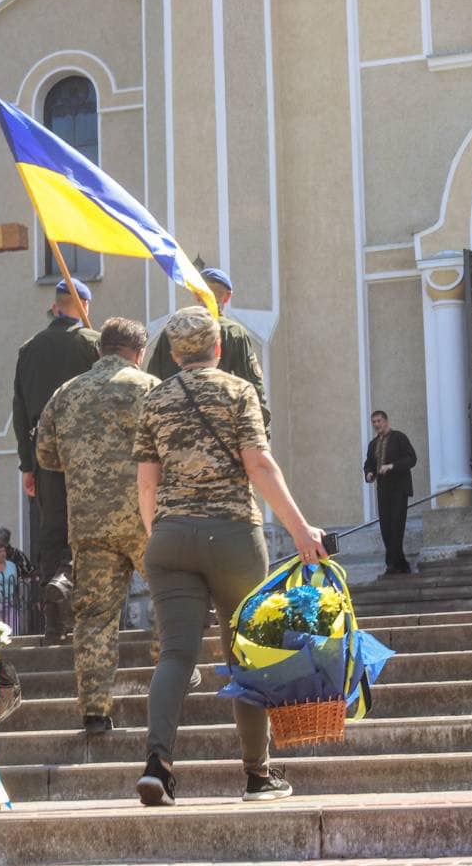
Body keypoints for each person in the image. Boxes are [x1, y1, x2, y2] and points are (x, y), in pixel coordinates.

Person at [132, 307, 328, 807]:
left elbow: (147, 481)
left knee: (176, 654)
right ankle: (257, 776)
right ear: (217, 348)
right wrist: (301, 530)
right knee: (245, 651)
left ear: (174, 354)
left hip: (171, 538)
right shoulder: (238, 391)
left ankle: (158, 764)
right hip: (234, 537)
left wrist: (162, 534)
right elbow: (258, 464)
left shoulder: (154, 399)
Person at [37, 317, 159, 736]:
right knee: (172, 593)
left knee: (94, 617)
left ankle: (94, 708)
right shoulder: (148, 387)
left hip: (88, 523)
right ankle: (173, 671)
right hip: (144, 516)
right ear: (137, 352)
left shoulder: (65, 393)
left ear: (99, 350)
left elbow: (46, 455)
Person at [11, 278, 101, 641]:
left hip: (42, 451)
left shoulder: (29, 349)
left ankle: (52, 621)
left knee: (51, 531)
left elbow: (19, 410)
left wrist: (26, 464)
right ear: (82, 307)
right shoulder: (93, 344)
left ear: (55, 306)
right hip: (87, 452)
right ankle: (81, 607)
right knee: (88, 532)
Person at [145, 268, 269, 431]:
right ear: (228, 296)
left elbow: (152, 383)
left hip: (175, 433)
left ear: (197, 294)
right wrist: (260, 434)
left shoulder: (172, 332)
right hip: (222, 431)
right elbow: (254, 390)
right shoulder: (234, 334)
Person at [363, 410, 418, 575]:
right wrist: (369, 473)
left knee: (396, 526)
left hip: (399, 489)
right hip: (383, 490)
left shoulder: (399, 438)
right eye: (373, 422)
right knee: (385, 527)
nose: (376, 425)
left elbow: (411, 459)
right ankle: (400, 564)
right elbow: (369, 463)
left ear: (386, 421)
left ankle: (392, 564)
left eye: (379, 421)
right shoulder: (373, 444)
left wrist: (392, 466)